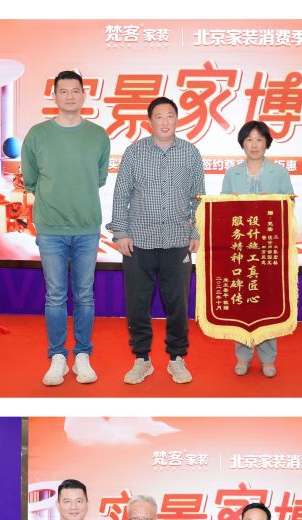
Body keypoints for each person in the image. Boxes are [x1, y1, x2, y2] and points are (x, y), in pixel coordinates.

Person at [20, 69, 110, 387]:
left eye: (75, 91)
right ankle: (57, 356)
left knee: (85, 295)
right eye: (63, 91)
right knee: (55, 296)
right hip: (50, 228)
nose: (69, 96)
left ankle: (83, 354)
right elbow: (30, 179)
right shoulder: (37, 134)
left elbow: (99, 177)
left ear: (84, 95)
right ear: (54, 95)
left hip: (87, 226)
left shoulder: (98, 135)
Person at [111, 96, 204, 386]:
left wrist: (195, 231)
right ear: (150, 121)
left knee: (177, 303)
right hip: (138, 241)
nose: (165, 121)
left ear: (177, 119)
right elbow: (121, 194)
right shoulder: (135, 152)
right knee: (137, 303)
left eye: (170, 115)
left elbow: (198, 197)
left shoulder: (190, 152)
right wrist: (121, 233)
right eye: (159, 116)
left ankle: (177, 358)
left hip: (177, 240)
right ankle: (142, 358)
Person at [220, 120, 295, 378]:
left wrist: (271, 203)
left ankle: (268, 358)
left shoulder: (279, 173)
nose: (254, 145)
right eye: (249, 139)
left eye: (259, 139)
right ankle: (242, 356)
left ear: (267, 143)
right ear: (242, 143)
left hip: (267, 249)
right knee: (241, 303)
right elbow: (222, 210)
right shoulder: (232, 174)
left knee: (267, 304)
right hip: (241, 249)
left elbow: (290, 206)